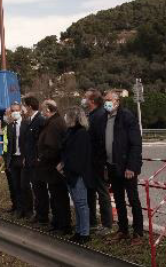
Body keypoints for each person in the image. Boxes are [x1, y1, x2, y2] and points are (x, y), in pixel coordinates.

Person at [102, 90, 143, 244]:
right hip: (112, 167)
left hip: (127, 167)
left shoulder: (126, 116)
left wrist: (131, 167)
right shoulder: (105, 118)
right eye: (105, 99)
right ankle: (123, 230)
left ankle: (138, 233)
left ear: (117, 101)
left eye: (109, 100)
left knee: (133, 200)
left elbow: (135, 144)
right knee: (118, 200)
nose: (107, 102)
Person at [37, 100, 71, 235]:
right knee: (55, 197)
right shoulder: (52, 122)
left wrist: (43, 157)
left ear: (48, 109)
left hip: (55, 167)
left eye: (43, 109)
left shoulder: (55, 124)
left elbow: (54, 147)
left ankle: (63, 225)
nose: (42, 112)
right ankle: (57, 222)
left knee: (59, 197)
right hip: (51, 166)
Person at [60, 106, 93, 244]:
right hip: (70, 172)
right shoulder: (71, 131)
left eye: (67, 116)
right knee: (77, 204)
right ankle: (79, 231)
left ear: (73, 117)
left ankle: (85, 233)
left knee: (81, 204)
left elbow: (79, 156)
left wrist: (67, 166)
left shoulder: (81, 133)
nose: (65, 118)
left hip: (78, 174)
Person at [85, 89, 113, 235]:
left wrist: (102, 161)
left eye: (86, 98)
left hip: (99, 161)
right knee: (91, 191)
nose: (84, 101)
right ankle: (93, 222)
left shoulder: (100, 115)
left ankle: (107, 224)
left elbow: (102, 140)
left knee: (102, 193)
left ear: (92, 101)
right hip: (91, 161)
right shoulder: (93, 115)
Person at [22, 96, 48, 225]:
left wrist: (38, 158)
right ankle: (39, 214)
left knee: (40, 190)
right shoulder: (31, 120)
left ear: (30, 106)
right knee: (36, 190)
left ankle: (43, 216)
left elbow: (40, 142)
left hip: (37, 162)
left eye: (24, 106)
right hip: (30, 161)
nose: (23, 109)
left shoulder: (40, 120)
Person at [5, 103, 32, 218]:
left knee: (24, 185)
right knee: (16, 185)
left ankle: (29, 210)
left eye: (17, 110)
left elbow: (29, 143)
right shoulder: (10, 126)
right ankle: (19, 209)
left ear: (21, 111)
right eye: (13, 111)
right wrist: (7, 161)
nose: (15, 112)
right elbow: (9, 145)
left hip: (24, 159)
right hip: (14, 159)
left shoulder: (26, 124)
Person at [2, 106, 18, 212]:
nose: (5, 116)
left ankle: (18, 206)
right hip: (7, 157)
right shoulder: (7, 126)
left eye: (7, 114)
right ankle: (14, 205)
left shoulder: (15, 127)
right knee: (11, 184)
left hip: (12, 159)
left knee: (15, 184)